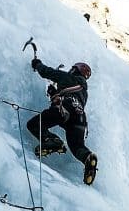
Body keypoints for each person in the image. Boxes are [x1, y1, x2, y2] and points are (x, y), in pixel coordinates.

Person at [27, 57, 98, 185]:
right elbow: (69, 95)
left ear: (75, 70)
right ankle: (88, 157)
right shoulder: (84, 92)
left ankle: (53, 141)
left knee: (34, 124)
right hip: (80, 120)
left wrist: (37, 64)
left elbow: (46, 72)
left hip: (64, 110)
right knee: (77, 147)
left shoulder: (69, 78)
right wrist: (55, 92)